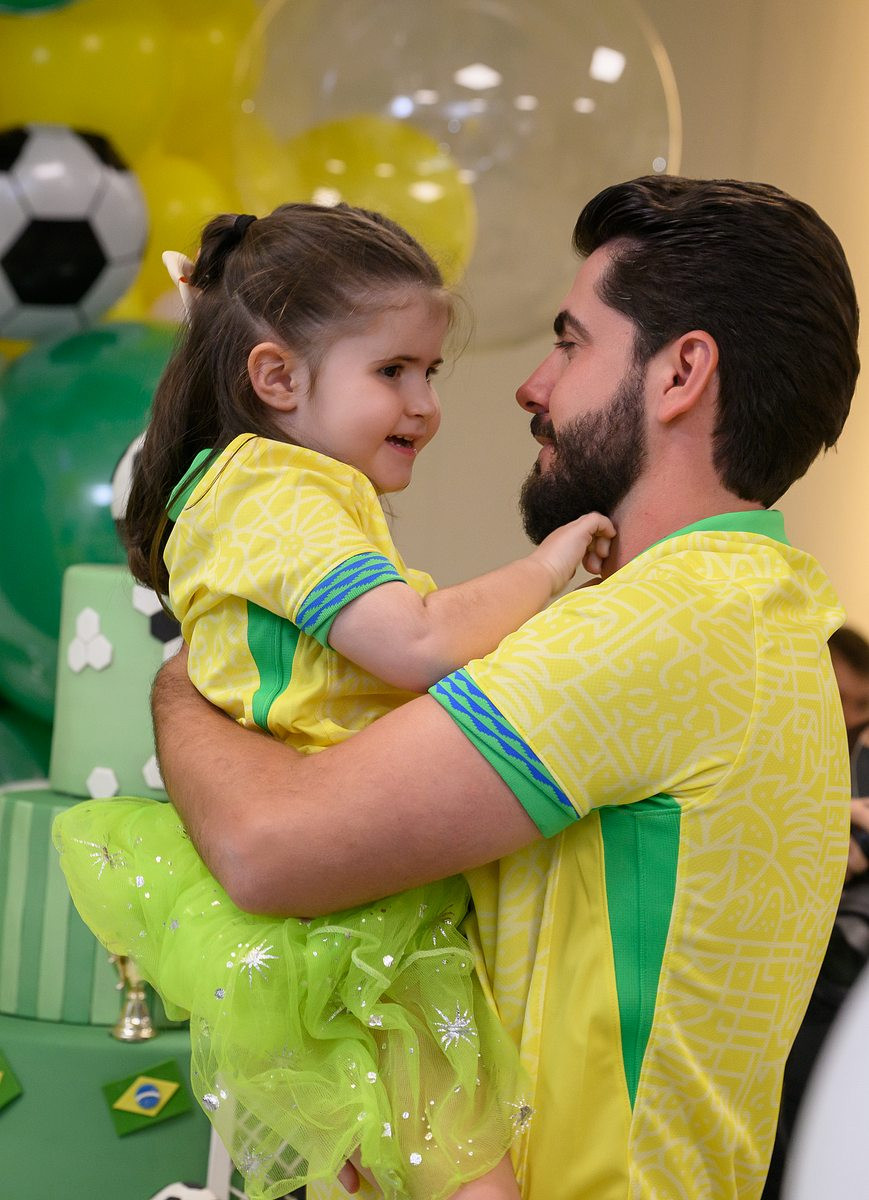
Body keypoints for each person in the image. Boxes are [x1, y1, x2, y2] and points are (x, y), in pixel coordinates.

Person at [136, 175, 860, 1200]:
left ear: (680, 373)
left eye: (569, 344)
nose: (529, 386)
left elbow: (269, 848)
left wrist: (185, 677)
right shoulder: (755, 610)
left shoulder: (666, 625)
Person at [53, 203, 616, 1200]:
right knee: (472, 1181)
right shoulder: (278, 495)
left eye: (429, 372)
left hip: (351, 913)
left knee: (385, 1173)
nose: (424, 405)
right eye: (392, 370)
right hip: (357, 919)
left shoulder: (261, 489)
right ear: (276, 379)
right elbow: (415, 642)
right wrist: (547, 567)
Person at [761, 625, 869, 1199]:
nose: (848, 716)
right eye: (838, 696)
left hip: (835, 972)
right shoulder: (771, 736)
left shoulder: (860, 753)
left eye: (861, 704)